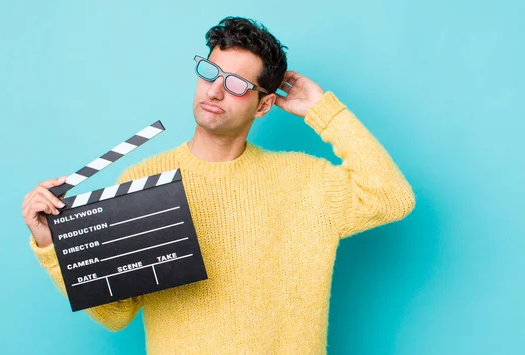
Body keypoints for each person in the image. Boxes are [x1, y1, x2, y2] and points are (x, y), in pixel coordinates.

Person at [22, 16, 416, 354]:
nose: (215, 90)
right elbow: (115, 313)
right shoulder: (142, 182)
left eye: (237, 84)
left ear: (263, 105)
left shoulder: (305, 180)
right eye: (210, 73)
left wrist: (322, 111)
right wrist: (51, 244)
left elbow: (390, 197)